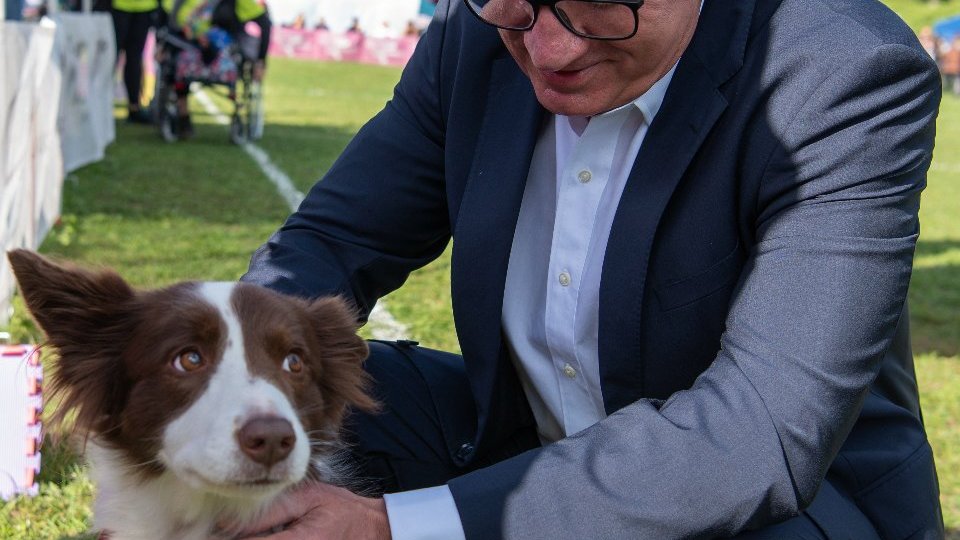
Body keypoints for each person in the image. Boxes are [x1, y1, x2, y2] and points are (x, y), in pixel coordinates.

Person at [239, 0, 944, 538]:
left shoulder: (839, 74)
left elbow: (758, 432)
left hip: (788, 503)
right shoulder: (473, 31)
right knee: (304, 387)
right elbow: (331, 242)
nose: (548, 47)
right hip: (523, 435)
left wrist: (396, 525)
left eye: (603, 4)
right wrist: (219, 398)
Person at [160, 0, 271, 137]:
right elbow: (172, 25)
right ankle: (183, 117)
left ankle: (236, 113)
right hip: (190, 50)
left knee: (189, 61)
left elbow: (265, 24)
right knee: (178, 64)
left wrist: (260, 61)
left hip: (223, 56)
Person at [111, 0, 159, 123]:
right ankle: (103, 105)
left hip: (144, 8)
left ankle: (134, 107)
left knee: (134, 59)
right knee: (111, 59)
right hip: (118, 7)